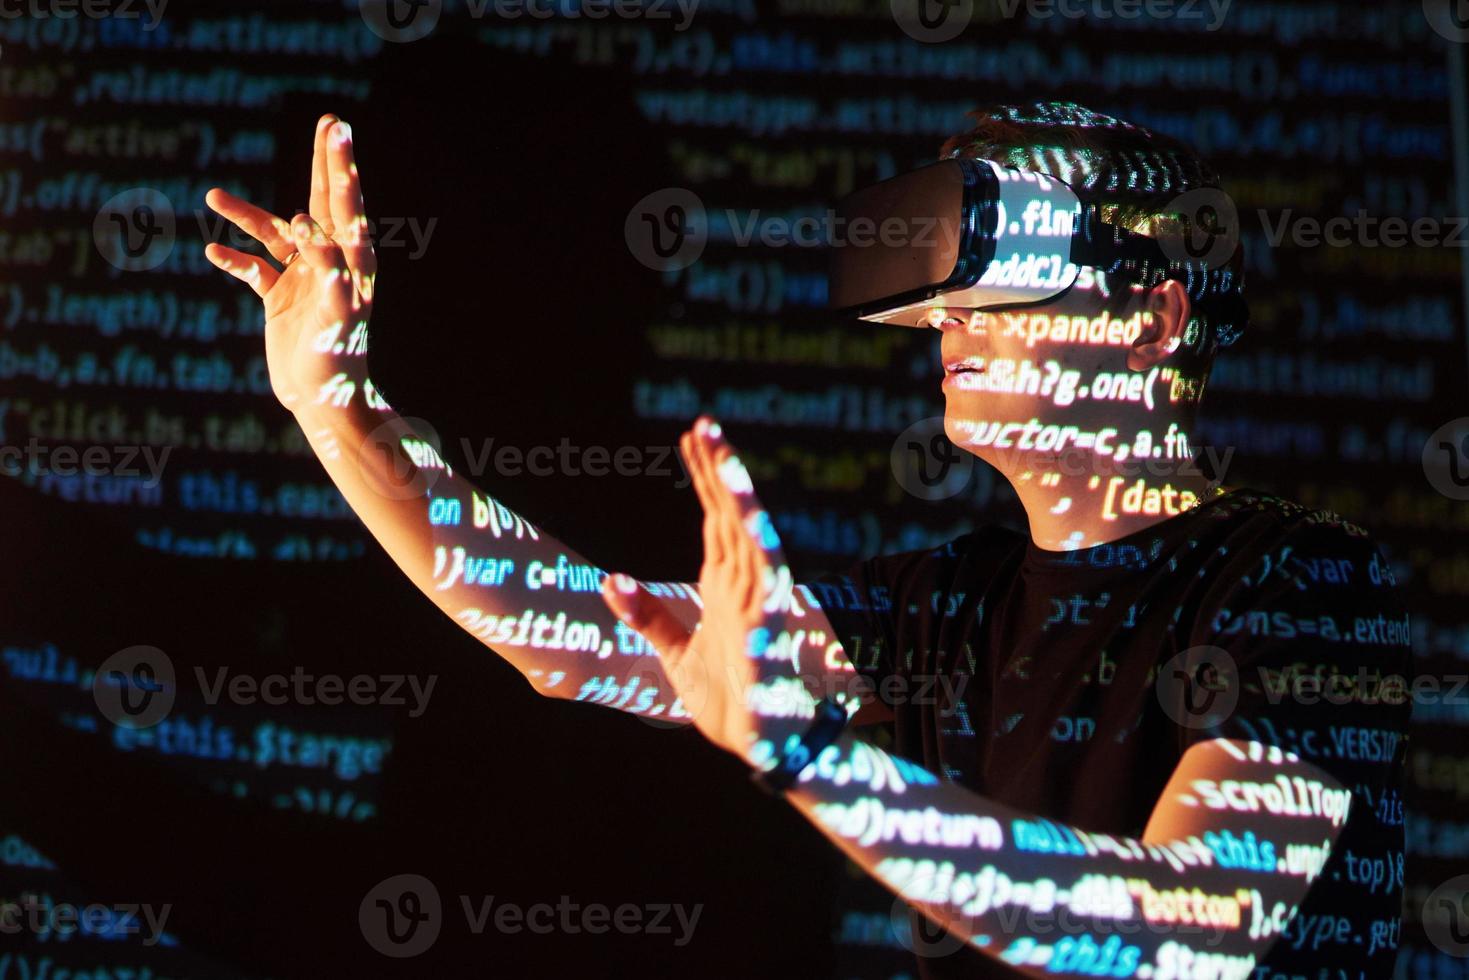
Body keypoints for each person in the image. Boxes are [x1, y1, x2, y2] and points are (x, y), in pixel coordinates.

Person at [204, 102, 1410, 978]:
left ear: (1151, 318)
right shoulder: (949, 603)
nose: (945, 313)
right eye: (944, 276)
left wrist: (821, 763)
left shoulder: (1311, 585)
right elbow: (570, 634)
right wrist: (339, 408)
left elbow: (1181, 931)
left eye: (1011, 268)